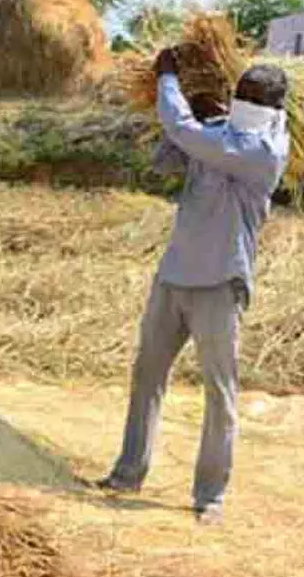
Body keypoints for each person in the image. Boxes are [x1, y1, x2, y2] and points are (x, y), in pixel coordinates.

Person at [92, 49, 291, 526]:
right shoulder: (218, 134)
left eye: (254, 98)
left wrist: (168, 82)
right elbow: (168, 159)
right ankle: (127, 472)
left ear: (274, 108)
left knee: (220, 393)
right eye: (241, 93)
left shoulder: (264, 152)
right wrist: (198, 119)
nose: (244, 102)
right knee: (146, 376)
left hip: (220, 283)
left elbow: (182, 131)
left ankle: (210, 497)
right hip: (174, 275)